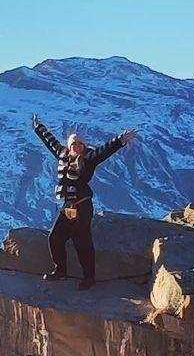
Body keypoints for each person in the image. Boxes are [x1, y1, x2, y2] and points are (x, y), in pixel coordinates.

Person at [31, 115, 137, 289]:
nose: (77, 147)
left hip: (82, 206)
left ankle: (89, 278)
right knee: (55, 238)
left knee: (83, 242)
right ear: (69, 146)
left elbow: (104, 150)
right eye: (73, 144)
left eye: (80, 144)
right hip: (68, 206)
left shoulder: (88, 159)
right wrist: (38, 128)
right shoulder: (63, 155)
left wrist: (120, 140)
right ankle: (61, 271)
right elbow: (50, 142)